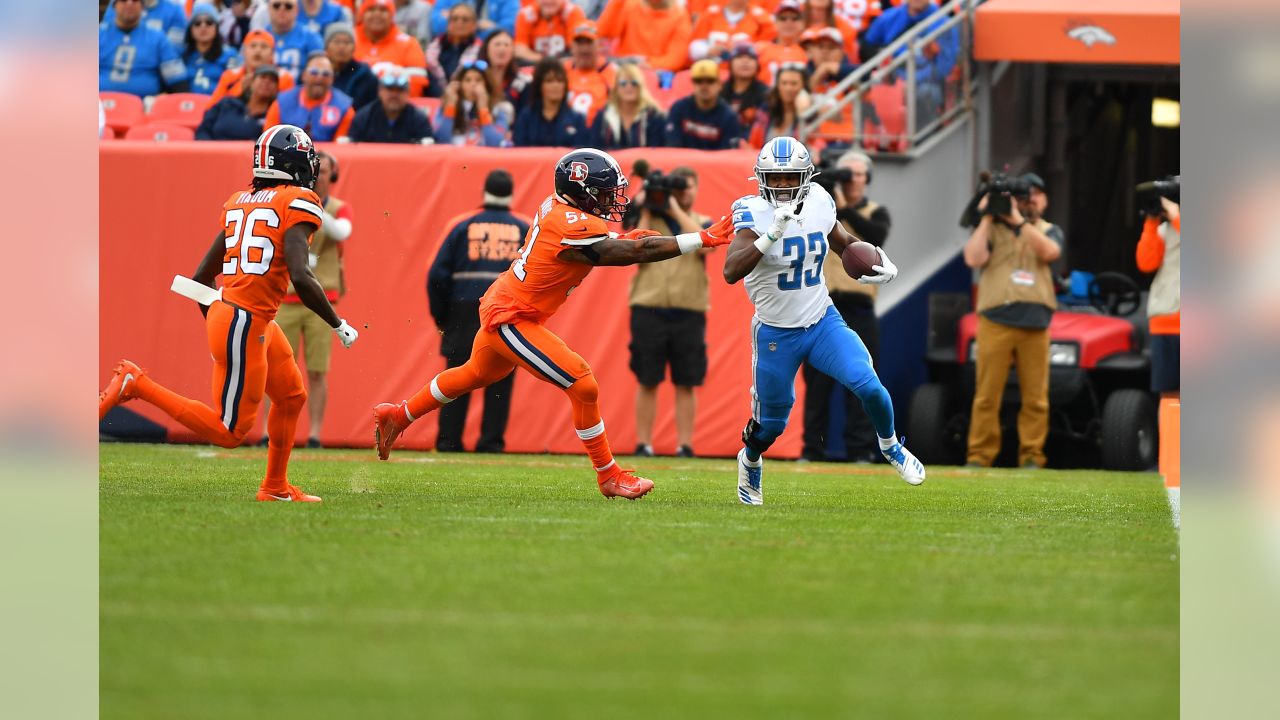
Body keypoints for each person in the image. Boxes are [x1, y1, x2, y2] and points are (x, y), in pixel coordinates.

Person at [373, 149, 736, 499]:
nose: (613, 201)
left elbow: (601, 243)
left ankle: (398, 416)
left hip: (508, 303)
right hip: (512, 315)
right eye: (607, 194)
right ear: (584, 192)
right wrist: (700, 238)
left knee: (473, 374)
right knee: (582, 383)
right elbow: (628, 254)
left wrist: (620, 238)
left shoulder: (562, 208)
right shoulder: (569, 220)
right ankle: (609, 475)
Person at [98, 124, 360, 503]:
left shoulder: (240, 201)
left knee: (291, 396)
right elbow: (302, 277)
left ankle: (274, 487)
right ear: (294, 163)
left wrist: (222, 316)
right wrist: (337, 323)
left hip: (242, 316)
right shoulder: (299, 201)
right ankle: (136, 383)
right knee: (230, 431)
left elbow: (200, 277)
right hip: (244, 319)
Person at [721, 136, 924, 504]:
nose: (782, 186)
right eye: (775, 178)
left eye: (790, 177)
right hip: (775, 332)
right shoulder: (751, 211)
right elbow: (731, 271)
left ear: (806, 176)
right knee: (772, 425)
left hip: (821, 320)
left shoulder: (819, 199)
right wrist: (770, 236)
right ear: (761, 178)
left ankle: (891, 445)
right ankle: (750, 460)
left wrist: (876, 260)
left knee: (869, 385)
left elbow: (842, 240)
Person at [962, 172, 1064, 469]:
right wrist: (987, 217)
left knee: (1036, 398)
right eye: (1023, 196)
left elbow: (1050, 252)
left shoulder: (1049, 229)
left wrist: (1019, 222)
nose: (1029, 200)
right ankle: (979, 457)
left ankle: (1032, 456)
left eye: (1035, 195)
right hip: (996, 318)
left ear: (1044, 200)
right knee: (986, 396)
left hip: (1036, 320)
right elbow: (973, 258)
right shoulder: (993, 229)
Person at [426, 170, 531, 453]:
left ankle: (449, 442)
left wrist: (442, 316)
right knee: (501, 378)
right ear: (511, 192)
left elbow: (436, 275)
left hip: (463, 309)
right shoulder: (525, 228)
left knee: (458, 375)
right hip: (506, 313)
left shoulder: (461, 225)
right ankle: (491, 443)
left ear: (484, 190)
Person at [801, 151, 890, 462]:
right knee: (817, 383)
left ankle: (860, 449)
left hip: (860, 306)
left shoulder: (877, 212)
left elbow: (876, 235)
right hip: (822, 304)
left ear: (867, 178)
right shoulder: (820, 211)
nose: (849, 180)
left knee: (861, 379)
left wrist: (842, 202)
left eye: (855, 174)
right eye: (844, 173)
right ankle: (812, 448)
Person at [270, 150, 354, 449]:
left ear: (333, 175)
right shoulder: (293, 203)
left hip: (323, 298)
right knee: (278, 371)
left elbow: (343, 231)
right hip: (287, 297)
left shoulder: (335, 208)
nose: (318, 175)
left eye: (324, 169)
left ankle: (315, 433)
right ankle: (274, 431)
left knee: (317, 371)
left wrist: (310, 205)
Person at [627, 167, 712, 458]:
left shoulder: (700, 222)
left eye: (689, 187)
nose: (684, 192)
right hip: (647, 307)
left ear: (697, 189)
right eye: (679, 188)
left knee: (686, 381)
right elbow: (634, 246)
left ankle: (685, 445)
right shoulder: (651, 221)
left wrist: (673, 209)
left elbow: (705, 246)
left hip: (689, 309)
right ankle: (643, 443)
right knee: (647, 378)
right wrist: (649, 205)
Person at [862, 0, 958, 127]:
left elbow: (944, 68)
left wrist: (911, 81)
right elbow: (866, 48)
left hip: (927, 82)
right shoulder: (889, 17)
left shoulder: (943, 22)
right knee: (867, 89)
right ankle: (878, 141)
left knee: (927, 92)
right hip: (893, 77)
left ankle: (923, 141)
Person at [1136, 196, 1180, 401]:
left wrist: (1177, 216)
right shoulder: (1165, 230)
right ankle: (1169, 435)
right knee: (1169, 394)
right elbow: (1146, 263)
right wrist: (1151, 222)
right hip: (1165, 322)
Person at [100, 0, 190, 97]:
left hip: (144, 107)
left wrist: (164, 99)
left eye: (135, 0)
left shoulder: (158, 38)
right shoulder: (98, 35)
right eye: (123, 0)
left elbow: (178, 80)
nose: (129, 3)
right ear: (114, 5)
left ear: (142, 6)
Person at [265, 52, 355, 141]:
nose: (319, 78)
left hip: (327, 154)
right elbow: (269, 139)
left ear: (332, 79)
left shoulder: (344, 108)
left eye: (326, 74)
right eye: (314, 72)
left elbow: (341, 148)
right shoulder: (282, 103)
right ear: (304, 75)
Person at [357, 0, 432, 96]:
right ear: (362, 14)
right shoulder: (348, 41)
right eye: (371, 9)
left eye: (383, 10)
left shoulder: (409, 44)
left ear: (392, 15)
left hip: (394, 105)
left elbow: (416, 87)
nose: (377, 14)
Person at [664, 59, 741, 150]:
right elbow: (673, 146)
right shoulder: (679, 108)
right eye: (699, 81)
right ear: (693, 84)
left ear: (719, 85)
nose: (704, 86)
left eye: (710, 81)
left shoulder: (729, 116)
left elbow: (728, 154)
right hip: (682, 163)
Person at [597, 0, 692, 72]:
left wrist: (647, 64)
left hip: (656, 77)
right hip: (625, 70)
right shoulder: (630, 5)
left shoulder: (680, 17)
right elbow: (603, 32)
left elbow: (675, 60)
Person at [512, 58, 589, 147]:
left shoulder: (577, 120)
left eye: (560, 81)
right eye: (549, 81)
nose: (556, 85)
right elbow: (518, 151)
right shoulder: (526, 117)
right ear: (539, 85)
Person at [588, 61, 666, 149]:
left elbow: (658, 150)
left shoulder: (654, 115)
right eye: (623, 83)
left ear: (641, 87)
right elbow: (595, 149)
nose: (629, 87)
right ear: (616, 88)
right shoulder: (603, 116)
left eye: (634, 83)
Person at [434, 63, 512, 146]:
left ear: (486, 84)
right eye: (467, 80)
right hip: (455, 157)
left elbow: (495, 143)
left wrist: (483, 108)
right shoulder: (446, 107)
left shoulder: (499, 108)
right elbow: (441, 140)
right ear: (459, 84)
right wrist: (451, 105)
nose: (473, 84)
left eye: (478, 80)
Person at [196, 63, 282, 139]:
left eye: (273, 80)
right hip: (213, 153)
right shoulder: (227, 103)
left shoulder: (275, 116)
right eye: (263, 77)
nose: (267, 81)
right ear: (251, 82)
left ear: (276, 89)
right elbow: (203, 130)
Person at [210, 29, 297, 103]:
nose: (258, 50)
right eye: (253, 46)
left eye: (264, 47)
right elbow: (212, 109)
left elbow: (288, 112)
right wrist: (240, 90)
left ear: (272, 54)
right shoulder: (229, 76)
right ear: (244, 52)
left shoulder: (284, 79)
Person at [348, 71, 434, 142]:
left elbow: (429, 151)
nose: (394, 95)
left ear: (408, 93)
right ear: (380, 91)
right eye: (389, 89)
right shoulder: (363, 118)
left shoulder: (418, 119)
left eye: (400, 90)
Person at [687, 0, 776, 62]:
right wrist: (708, 50)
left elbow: (769, 48)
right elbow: (693, 47)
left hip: (746, 72)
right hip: (713, 71)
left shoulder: (761, 17)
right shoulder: (710, 14)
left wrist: (743, 50)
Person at [563, 21, 615, 126]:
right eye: (580, 43)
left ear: (598, 45)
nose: (584, 49)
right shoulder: (562, 70)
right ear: (572, 46)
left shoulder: (611, 72)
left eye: (589, 43)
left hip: (598, 131)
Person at [747, 64, 809, 147]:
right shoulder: (766, 110)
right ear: (777, 86)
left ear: (803, 86)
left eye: (794, 83)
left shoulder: (811, 113)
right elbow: (753, 143)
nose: (788, 88)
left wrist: (803, 111)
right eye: (784, 83)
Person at [427, 2, 485, 90]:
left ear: (474, 25)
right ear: (448, 24)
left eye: (465, 19)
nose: (459, 22)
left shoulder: (482, 51)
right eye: (454, 19)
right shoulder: (433, 49)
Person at [184, 3, 240, 95]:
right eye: (197, 23)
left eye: (209, 22)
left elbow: (235, 87)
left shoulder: (230, 55)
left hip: (219, 107)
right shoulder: (184, 56)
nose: (203, 26)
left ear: (217, 27)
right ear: (191, 29)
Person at [265, 0, 325, 77]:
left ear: (296, 10)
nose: (282, 9)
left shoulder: (311, 38)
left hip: (300, 86)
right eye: (276, 5)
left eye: (288, 6)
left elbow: (319, 71)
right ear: (269, 9)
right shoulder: (259, 37)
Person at [515, 0, 587, 64]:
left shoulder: (573, 12)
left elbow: (579, 48)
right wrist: (547, 62)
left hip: (566, 66)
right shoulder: (526, 15)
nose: (548, 1)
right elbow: (520, 50)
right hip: (536, 68)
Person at [326, 23, 379, 110]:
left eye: (347, 42)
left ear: (354, 48)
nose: (341, 47)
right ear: (326, 47)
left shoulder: (365, 76)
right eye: (336, 42)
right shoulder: (317, 73)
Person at [101, 0, 189, 51]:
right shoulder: (120, 3)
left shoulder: (175, 9)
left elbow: (175, 49)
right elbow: (105, 36)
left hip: (154, 67)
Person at [756, 0, 808, 84]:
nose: (788, 22)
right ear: (775, 22)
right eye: (783, 18)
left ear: (802, 23)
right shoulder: (760, 49)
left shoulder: (808, 50)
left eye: (794, 18)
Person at [720, 44, 768, 131]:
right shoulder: (719, 91)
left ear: (757, 65)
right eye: (739, 57)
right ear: (730, 64)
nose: (745, 61)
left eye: (750, 58)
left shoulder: (766, 94)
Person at [481, 30, 531, 108]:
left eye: (506, 45)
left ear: (513, 51)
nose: (502, 49)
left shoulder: (523, 82)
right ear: (486, 49)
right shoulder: (476, 79)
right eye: (497, 44)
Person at [251, 0, 351, 38]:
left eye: (288, 8)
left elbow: (347, 44)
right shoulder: (281, 5)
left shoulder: (339, 12)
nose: (282, 9)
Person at [430, 0, 520, 38]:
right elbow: (437, 25)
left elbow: (508, 30)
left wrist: (455, 21)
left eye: (465, 20)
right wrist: (478, 25)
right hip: (450, 47)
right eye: (455, 18)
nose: (461, 22)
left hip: (487, 52)